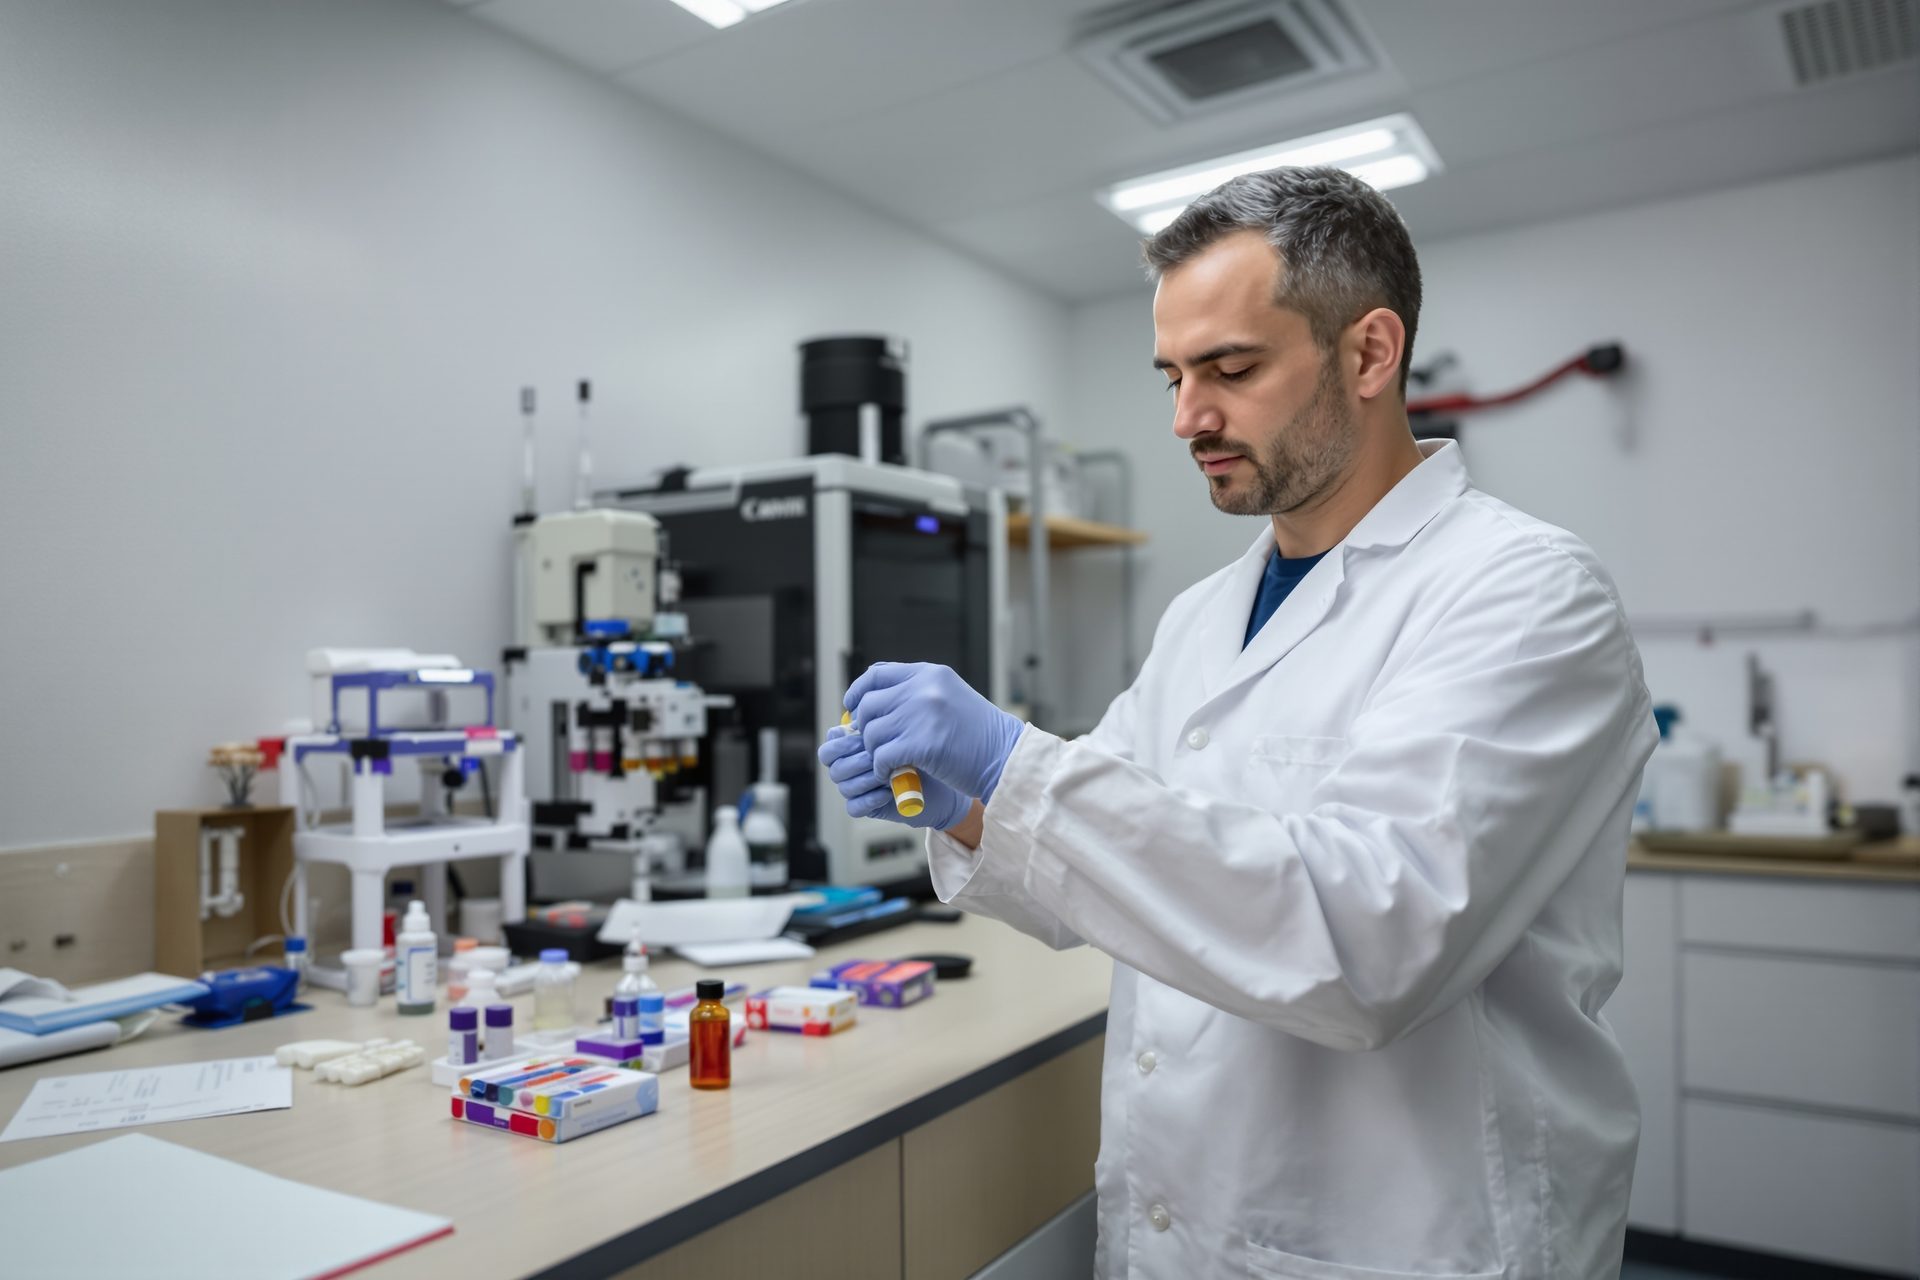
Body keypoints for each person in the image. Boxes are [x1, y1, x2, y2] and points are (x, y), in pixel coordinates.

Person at [819, 166, 1656, 1280]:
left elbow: (1372, 941)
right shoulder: (1205, 614)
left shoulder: (1525, 590)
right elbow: (1098, 866)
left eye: (1230, 368)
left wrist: (1015, 762)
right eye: (1172, 374)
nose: (1186, 418)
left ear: (1369, 352)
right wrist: (973, 807)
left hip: (1412, 1230)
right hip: (1196, 1219)